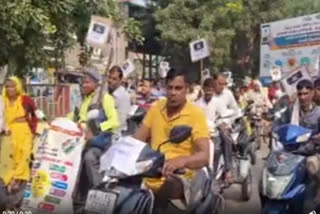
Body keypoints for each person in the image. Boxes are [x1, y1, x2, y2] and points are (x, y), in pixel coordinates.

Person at [133, 68, 210, 213]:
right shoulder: (156, 108)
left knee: (168, 186)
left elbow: (204, 156)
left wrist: (181, 161)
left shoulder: (195, 114)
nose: (173, 92)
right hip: (149, 173)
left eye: (178, 88)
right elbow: (137, 139)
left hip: (180, 178)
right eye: (170, 87)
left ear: (187, 89)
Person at [69, 67, 119, 195]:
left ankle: (100, 190)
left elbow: (115, 121)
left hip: (100, 144)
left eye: (87, 82)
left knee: (89, 157)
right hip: (82, 142)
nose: (84, 85)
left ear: (96, 83)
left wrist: (97, 128)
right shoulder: (85, 99)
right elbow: (77, 117)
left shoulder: (105, 98)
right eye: (83, 82)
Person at [277, 79, 320, 203]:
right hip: (290, 152)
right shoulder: (291, 110)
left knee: (313, 165)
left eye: (306, 94)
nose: (302, 97)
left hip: (311, 152)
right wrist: (271, 128)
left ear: (312, 93)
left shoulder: (318, 113)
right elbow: (279, 122)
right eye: (300, 94)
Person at [1, 76, 38, 193]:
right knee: (10, 157)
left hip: (23, 131)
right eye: (7, 87)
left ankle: (17, 180)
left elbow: (36, 114)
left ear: (17, 87)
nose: (10, 89)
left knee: (24, 154)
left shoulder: (25, 99)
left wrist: (33, 131)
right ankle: (7, 181)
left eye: (12, 86)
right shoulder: (2, 100)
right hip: (8, 132)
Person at [211, 73, 241, 184]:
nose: (222, 86)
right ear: (214, 82)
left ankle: (228, 169)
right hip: (208, 125)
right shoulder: (208, 93)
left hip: (223, 125)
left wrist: (225, 122)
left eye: (224, 84)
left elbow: (235, 110)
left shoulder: (228, 94)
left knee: (225, 138)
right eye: (220, 83)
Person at [107, 66, 131, 137]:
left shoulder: (123, 96)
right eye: (109, 77)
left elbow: (120, 121)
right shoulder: (110, 92)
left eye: (114, 79)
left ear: (120, 81)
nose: (110, 80)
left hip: (115, 134)